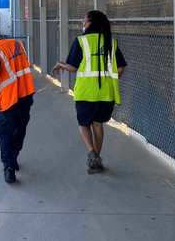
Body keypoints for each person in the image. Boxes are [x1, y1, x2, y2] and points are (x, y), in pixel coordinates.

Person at [52, 10, 126, 174]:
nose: (82, 24)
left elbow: (73, 67)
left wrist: (60, 65)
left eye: (84, 21)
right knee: (98, 124)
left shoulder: (81, 41)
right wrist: (110, 79)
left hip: (86, 92)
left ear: (92, 23)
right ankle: (96, 159)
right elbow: (120, 68)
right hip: (106, 93)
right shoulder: (110, 42)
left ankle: (92, 153)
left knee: (84, 123)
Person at [0, 30, 35, 184]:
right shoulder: (16, 44)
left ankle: (9, 166)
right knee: (20, 129)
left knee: (4, 133)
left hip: (8, 99)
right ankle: (14, 157)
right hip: (26, 94)